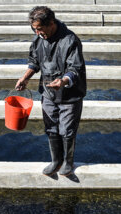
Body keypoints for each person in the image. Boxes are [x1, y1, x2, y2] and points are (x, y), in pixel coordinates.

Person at [15, 6, 86, 177]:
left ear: (51, 23)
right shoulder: (38, 39)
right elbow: (34, 61)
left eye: (40, 28)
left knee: (67, 130)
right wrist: (25, 77)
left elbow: (75, 68)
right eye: (34, 29)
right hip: (48, 92)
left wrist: (63, 81)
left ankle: (68, 162)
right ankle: (56, 161)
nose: (37, 32)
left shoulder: (70, 40)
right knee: (51, 128)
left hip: (69, 94)